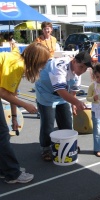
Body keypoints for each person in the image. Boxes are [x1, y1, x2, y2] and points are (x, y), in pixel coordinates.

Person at [0, 42, 50, 183]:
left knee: (2, 134)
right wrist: (26, 105)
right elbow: (3, 92)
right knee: (2, 135)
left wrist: (14, 117)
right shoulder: (16, 66)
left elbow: (12, 93)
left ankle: (5, 169)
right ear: (36, 60)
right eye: (43, 62)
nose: (44, 66)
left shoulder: (18, 58)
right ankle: (12, 174)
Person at [35, 51, 93, 161]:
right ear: (74, 61)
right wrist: (76, 102)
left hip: (61, 95)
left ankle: (67, 143)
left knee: (67, 121)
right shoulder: (60, 66)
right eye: (81, 67)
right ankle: (46, 148)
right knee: (48, 123)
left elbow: (73, 90)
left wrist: (73, 105)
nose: (82, 71)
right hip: (45, 93)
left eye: (85, 69)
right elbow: (61, 90)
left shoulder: (77, 73)